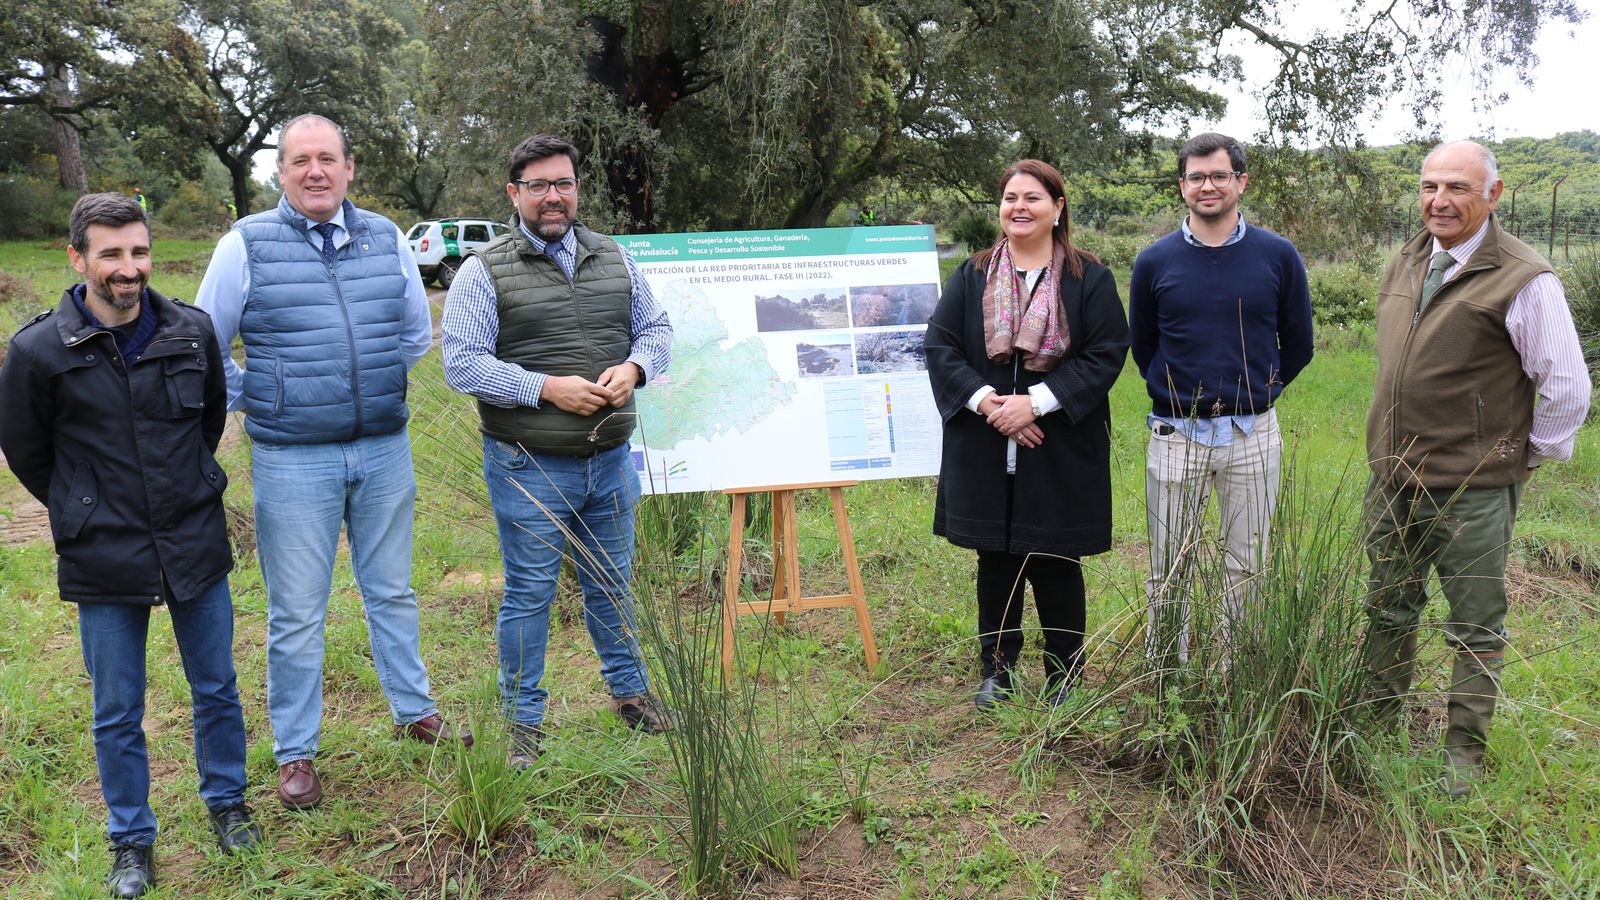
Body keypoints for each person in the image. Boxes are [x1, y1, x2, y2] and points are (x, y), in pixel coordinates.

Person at [196, 114, 467, 811]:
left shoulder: (385, 238)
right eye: (299, 161)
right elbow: (205, 345)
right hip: (291, 459)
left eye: (327, 159)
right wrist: (263, 395)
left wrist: (361, 386)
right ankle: (296, 752)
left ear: (349, 168)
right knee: (295, 612)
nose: (314, 171)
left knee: (393, 591)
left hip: (382, 447)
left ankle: (415, 711)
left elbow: (413, 334)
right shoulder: (245, 245)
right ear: (280, 173)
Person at [0, 193, 260, 898]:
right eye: (111, 253)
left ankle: (228, 804)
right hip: (103, 553)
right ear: (78, 257)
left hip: (192, 539)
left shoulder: (192, 332)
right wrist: (83, 505)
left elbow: (208, 421)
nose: (128, 267)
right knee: (117, 707)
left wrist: (186, 485)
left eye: (138, 251)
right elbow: (28, 451)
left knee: (217, 687)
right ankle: (131, 841)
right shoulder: (36, 351)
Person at [1363, 140, 1590, 798]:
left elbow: (1567, 388)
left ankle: (1462, 754)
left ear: (1493, 195)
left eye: (1458, 187)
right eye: (1430, 185)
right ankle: (1373, 726)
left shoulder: (1524, 276)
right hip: (1392, 478)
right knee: (1386, 607)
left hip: (1473, 488)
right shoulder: (1407, 259)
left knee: (1475, 624)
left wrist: (1520, 459)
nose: (1440, 200)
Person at [440, 134, 675, 767]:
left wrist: (636, 368)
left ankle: (631, 696)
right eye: (539, 185)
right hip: (529, 464)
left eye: (564, 184)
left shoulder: (615, 259)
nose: (553, 196)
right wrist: (545, 388)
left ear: (577, 189)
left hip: (610, 461)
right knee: (529, 594)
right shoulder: (482, 269)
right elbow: (461, 363)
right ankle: (522, 723)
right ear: (514, 193)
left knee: (613, 584)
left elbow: (656, 330)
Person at [925, 159, 1130, 710]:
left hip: (1060, 440)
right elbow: (940, 347)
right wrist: (989, 403)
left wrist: (1036, 403)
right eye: (1011, 196)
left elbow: (1107, 353)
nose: (1020, 207)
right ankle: (998, 671)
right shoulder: (971, 276)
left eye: (1034, 197)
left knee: (1056, 560)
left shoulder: (1090, 279)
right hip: (985, 440)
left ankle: (1065, 675)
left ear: (1058, 208)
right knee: (996, 560)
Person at [1127, 132, 1315, 666]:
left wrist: (1262, 393)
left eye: (1219, 176)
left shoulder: (1277, 256)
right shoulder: (1153, 261)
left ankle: (1240, 670)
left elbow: (1298, 344)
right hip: (1176, 433)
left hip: (1253, 434)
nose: (1207, 186)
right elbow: (1143, 346)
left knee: (1247, 562)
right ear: (1182, 185)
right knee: (1170, 563)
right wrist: (1174, 391)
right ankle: (1168, 670)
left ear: (1240, 181)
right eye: (1196, 177)